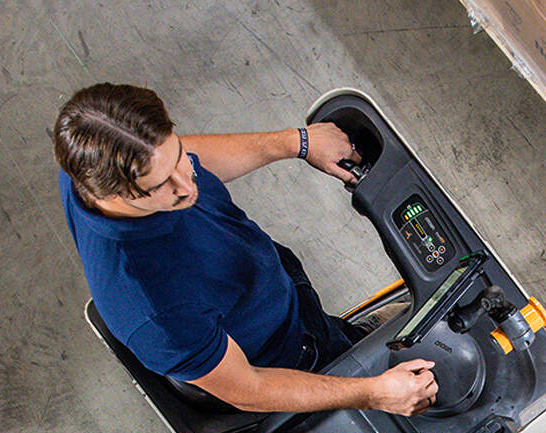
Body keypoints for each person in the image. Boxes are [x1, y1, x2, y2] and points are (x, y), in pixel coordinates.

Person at [55, 83, 437, 415]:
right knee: (396, 375)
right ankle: (353, 354)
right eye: (161, 186)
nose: (188, 186)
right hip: (283, 356)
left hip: (271, 290)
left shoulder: (95, 162)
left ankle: (347, 338)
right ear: (114, 194)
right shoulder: (153, 310)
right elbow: (249, 390)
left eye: (177, 158)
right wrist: (374, 393)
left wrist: (295, 143)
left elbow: (186, 158)